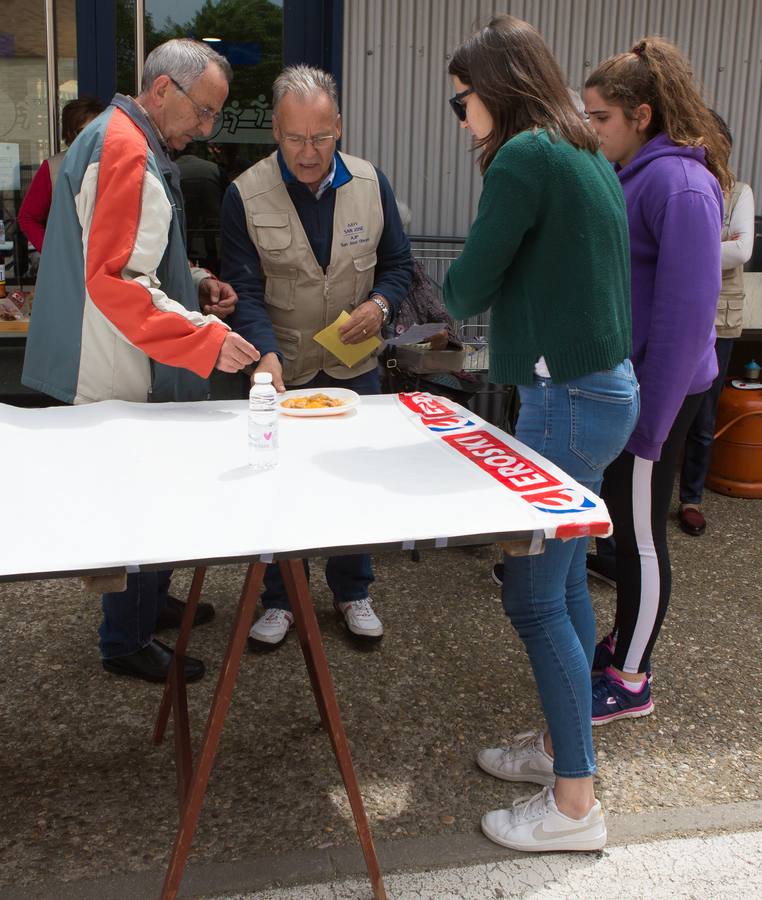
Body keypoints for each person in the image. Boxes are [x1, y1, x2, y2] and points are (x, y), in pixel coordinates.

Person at [443, 15, 638, 854]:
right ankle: (565, 749)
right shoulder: (586, 152)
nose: (459, 117)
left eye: (461, 100)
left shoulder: (525, 155)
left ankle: (572, 806)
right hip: (599, 392)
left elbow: (465, 285)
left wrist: (458, 284)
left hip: (564, 399)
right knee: (557, 590)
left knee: (533, 595)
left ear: (495, 88)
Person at [22, 38, 260, 683]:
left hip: (118, 361)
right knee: (140, 502)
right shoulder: (125, 149)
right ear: (161, 91)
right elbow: (117, 282)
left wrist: (195, 281)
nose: (208, 129)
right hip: (114, 370)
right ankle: (125, 639)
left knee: (151, 495)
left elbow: (131, 256)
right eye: (203, 112)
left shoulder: (122, 138)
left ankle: (149, 606)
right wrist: (209, 339)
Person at [221, 64, 412, 650]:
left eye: (322, 137)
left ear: (340, 128)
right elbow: (244, 289)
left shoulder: (370, 183)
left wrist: (380, 305)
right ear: (275, 131)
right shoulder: (244, 194)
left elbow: (400, 267)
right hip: (285, 371)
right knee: (279, 486)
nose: (309, 152)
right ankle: (279, 598)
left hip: (355, 371)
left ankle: (354, 590)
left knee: (357, 483)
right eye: (295, 138)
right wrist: (266, 357)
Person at [583, 37, 728, 721]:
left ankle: (631, 680)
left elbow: (685, 321)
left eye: (601, 117)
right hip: (635, 391)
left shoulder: (682, 184)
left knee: (641, 537)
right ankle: (624, 641)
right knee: (627, 533)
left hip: (661, 395)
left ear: (641, 114)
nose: (592, 129)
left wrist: (649, 426)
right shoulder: (638, 171)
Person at [678, 115, 755, 536]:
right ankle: (649, 490)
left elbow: (742, 250)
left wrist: (686, 244)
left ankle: (690, 497)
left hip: (720, 318)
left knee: (704, 416)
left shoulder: (739, 192)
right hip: (681, 312)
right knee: (666, 406)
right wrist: (712, 245)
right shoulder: (682, 185)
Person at [18, 97, 106, 253]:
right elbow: (28, 217)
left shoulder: (115, 164)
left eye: (97, 129)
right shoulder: (53, 168)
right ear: (70, 133)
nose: (92, 136)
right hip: (68, 266)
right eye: (83, 130)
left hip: (106, 263)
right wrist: (52, 253)